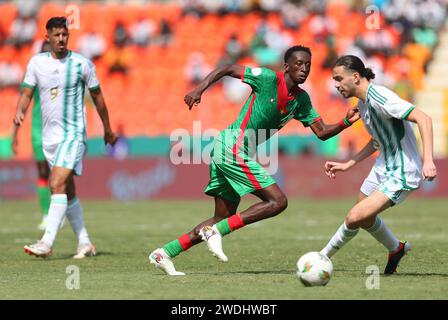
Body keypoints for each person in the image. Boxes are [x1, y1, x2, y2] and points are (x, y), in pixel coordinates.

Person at [149, 45, 361, 276]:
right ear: (286, 66)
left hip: (231, 151)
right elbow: (229, 68)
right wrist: (199, 89)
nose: (304, 69)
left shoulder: (301, 100)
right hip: (231, 147)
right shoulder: (268, 78)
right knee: (278, 202)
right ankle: (216, 232)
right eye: (299, 63)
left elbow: (321, 132)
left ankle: (164, 253)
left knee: (222, 218)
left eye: (308, 65)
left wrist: (345, 122)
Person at [319, 55, 437, 274]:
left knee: (354, 217)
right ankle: (395, 248)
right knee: (365, 216)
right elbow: (377, 141)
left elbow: (424, 118)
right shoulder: (362, 105)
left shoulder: (381, 96)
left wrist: (427, 160)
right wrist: (348, 164)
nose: (335, 84)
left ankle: (321, 257)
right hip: (383, 166)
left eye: (338, 78)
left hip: (402, 171)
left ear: (355, 77)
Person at [13, 17, 118, 259]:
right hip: (49, 139)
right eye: (56, 35)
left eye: (64, 34)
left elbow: (99, 97)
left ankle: (47, 242)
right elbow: (26, 93)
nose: (61, 39)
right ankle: (85, 243)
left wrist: (107, 129)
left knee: (56, 184)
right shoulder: (36, 63)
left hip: (73, 135)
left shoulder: (82, 64)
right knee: (68, 191)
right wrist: (20, 110)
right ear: (47, 37)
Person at [12, 40, 52, 231]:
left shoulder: (61, 74)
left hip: (59, 129)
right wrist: (15, 134)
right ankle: (47, 214)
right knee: (43, 172)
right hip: (39, 130)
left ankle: (60, 211)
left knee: (61, 175)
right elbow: (23, 104)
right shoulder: (33, 74)